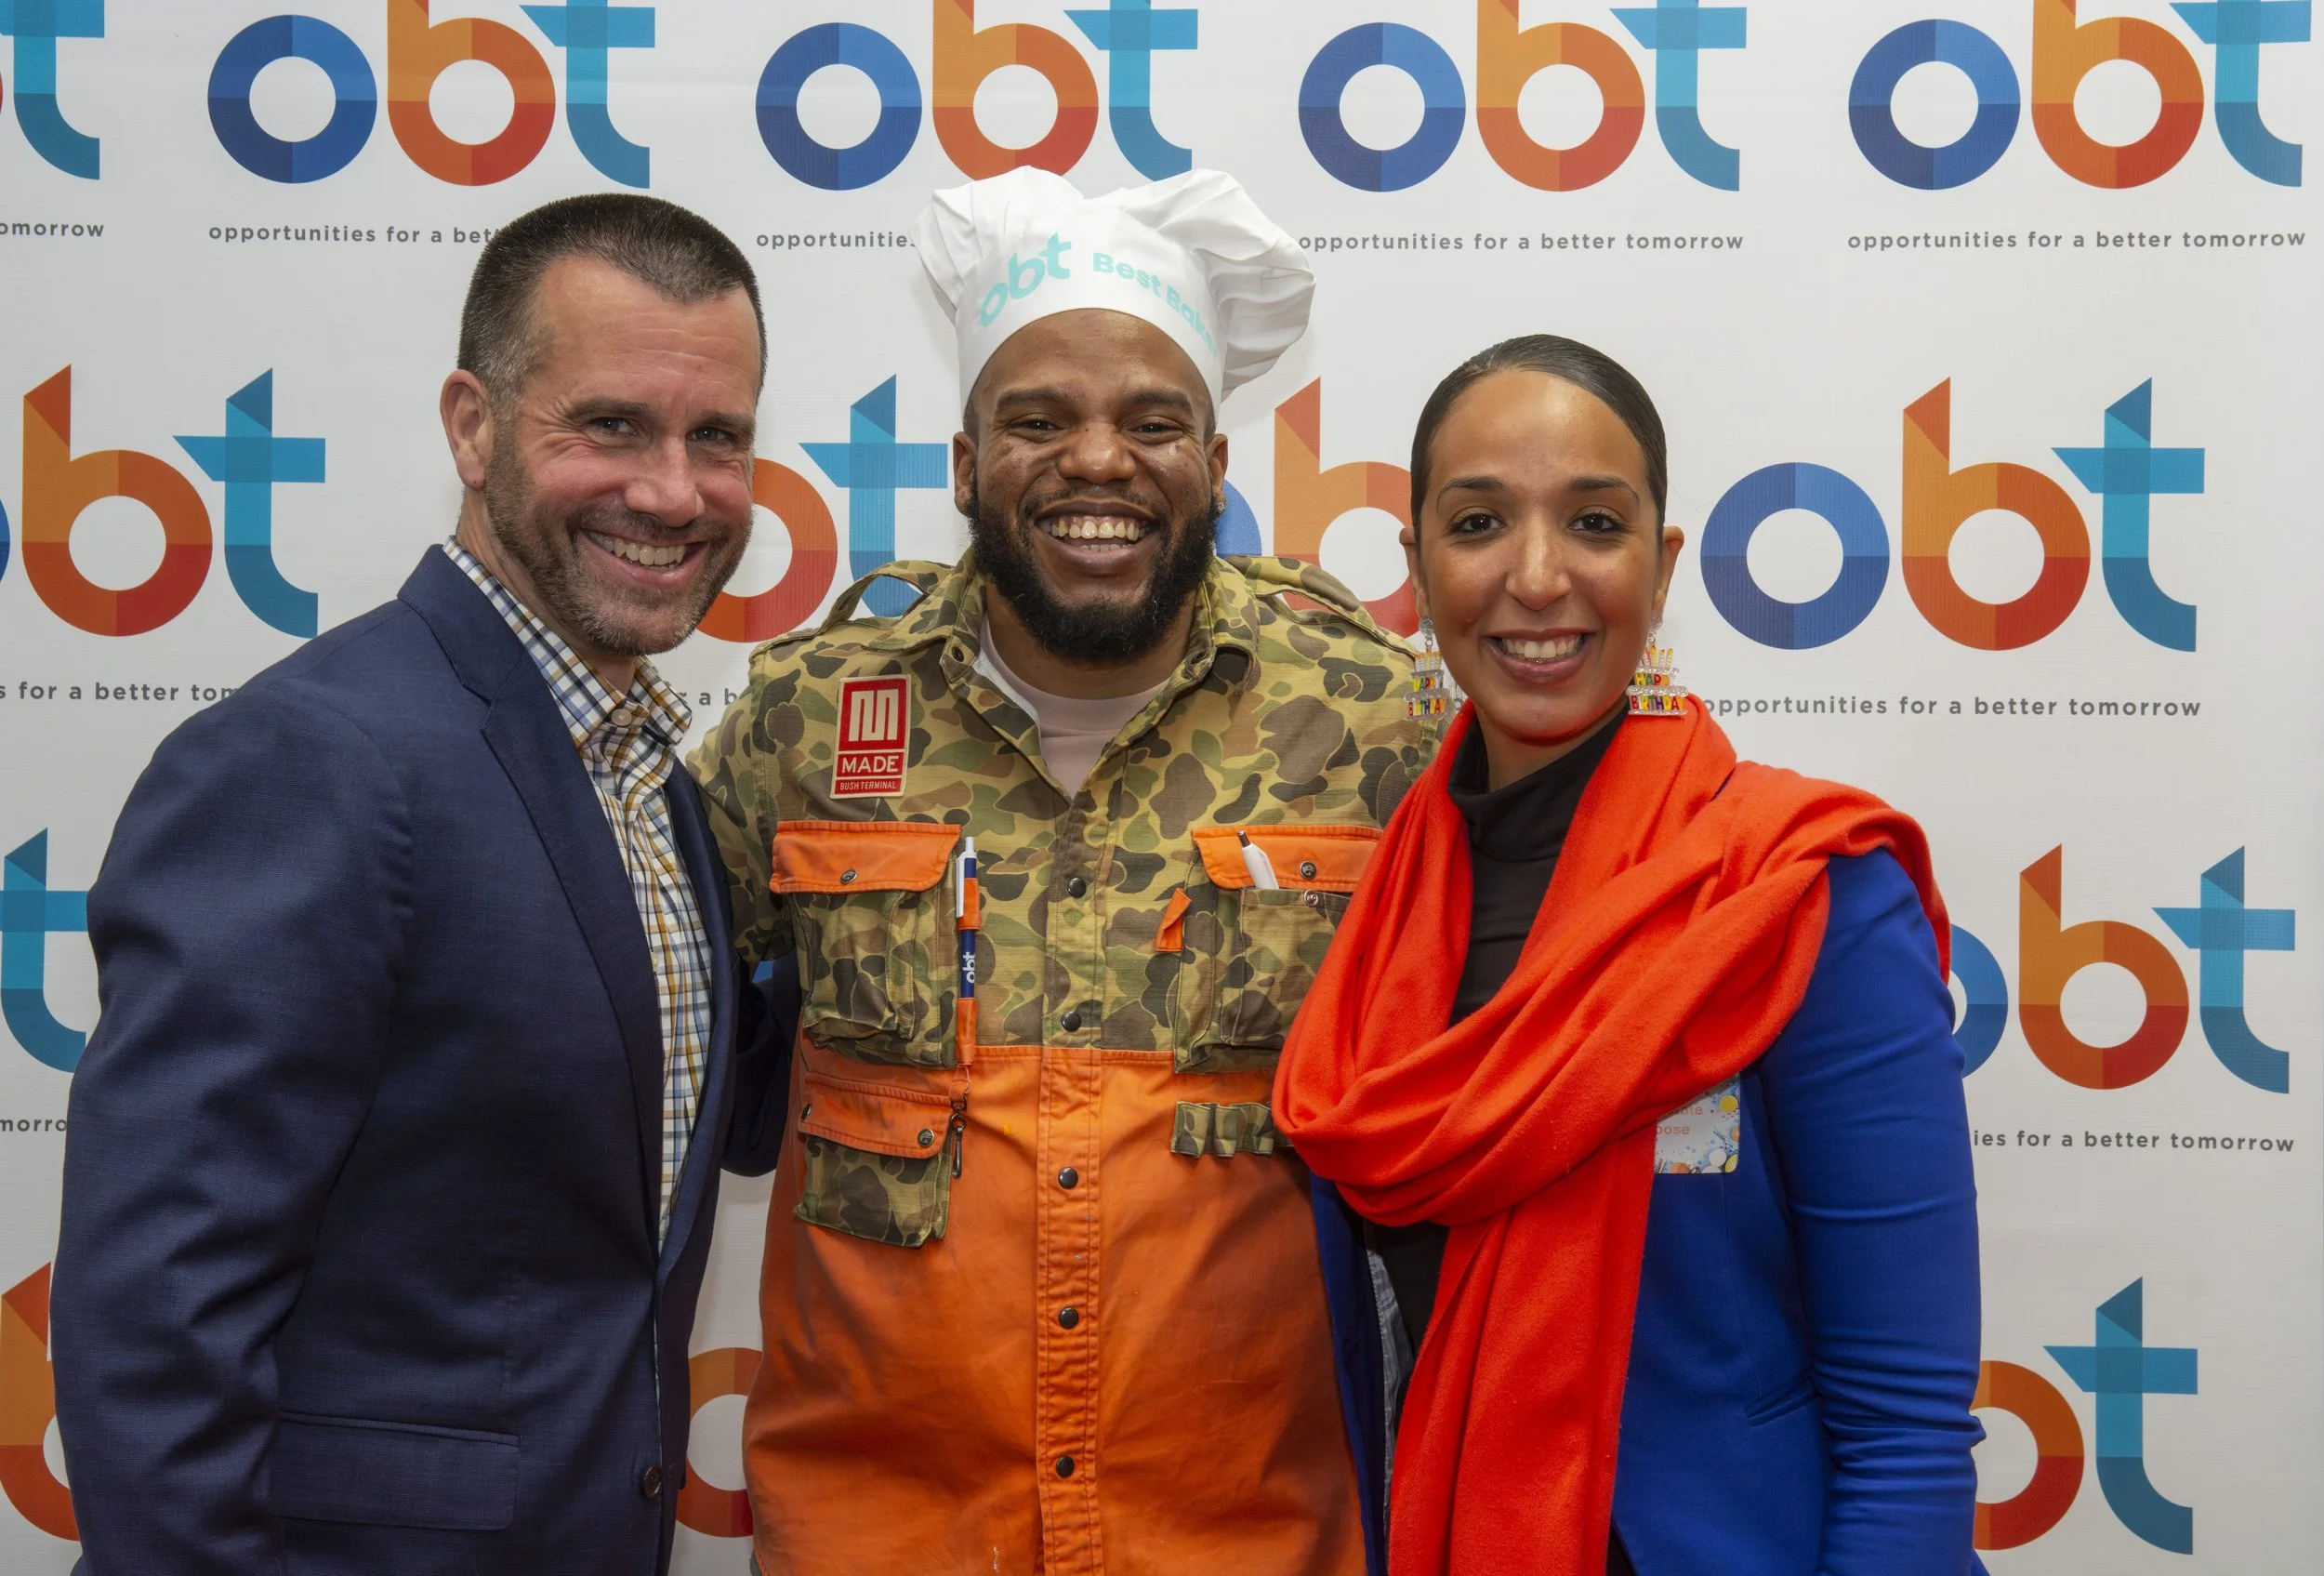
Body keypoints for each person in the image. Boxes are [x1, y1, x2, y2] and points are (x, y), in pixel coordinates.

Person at [689, 166, 1436, 1575]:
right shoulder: (808, 712)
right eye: (1038, 420)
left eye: (1154, 422)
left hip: (1249, 1539)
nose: (1099, 461)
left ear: (1218, 465)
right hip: (882, 1538)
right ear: (966, 464)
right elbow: (646, 1039)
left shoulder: (1370, 717)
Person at [52, 193, 791, 1576]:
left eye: (721, 438)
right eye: (612, 425)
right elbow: (159, 1322)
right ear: (472, 424)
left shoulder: (660, 786)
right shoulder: (312, 756)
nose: (675, 492)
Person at [1274, 336, 1985, 1576]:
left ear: (1659, 569)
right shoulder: (1380, 908)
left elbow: (1906, 1430)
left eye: (1593, 522)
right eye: (1480, 521)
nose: (1536, 577)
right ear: (1418, 567)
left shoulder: (1798, 889)